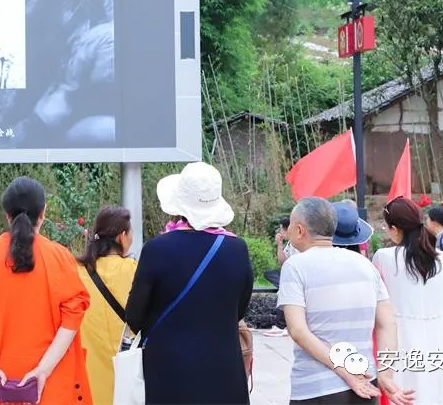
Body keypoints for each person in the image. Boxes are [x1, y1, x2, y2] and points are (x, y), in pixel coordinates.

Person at [126, 162, 254, 405]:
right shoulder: (237, 249)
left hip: (169, 375)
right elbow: (239, 310)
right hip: (223, 373)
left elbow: (134, 316)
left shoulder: (157, 249)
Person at [0, 176, 92, 405]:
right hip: (52, 387)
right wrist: (42, 370)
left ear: (7, 214)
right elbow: (71, 322)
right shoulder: (59, 258)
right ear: (43, 212)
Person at [277, 197, 413, 405]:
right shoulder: (365, 265)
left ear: (300, 230)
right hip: (366, 385)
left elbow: (298, 331)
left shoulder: (295, 266)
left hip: (317, 389)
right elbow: (388, 323)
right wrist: (386, 375)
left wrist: (345, 371)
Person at [373, 197, 443, 404]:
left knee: (407, 394)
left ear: (395, 229)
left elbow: (379, 301)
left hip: (402, 339)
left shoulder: (384, 258)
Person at [76, 205, 137, 405]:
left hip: (86, 376)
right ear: (122, 236)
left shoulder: (77, 271)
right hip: (125, 373)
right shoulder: (133, 270)